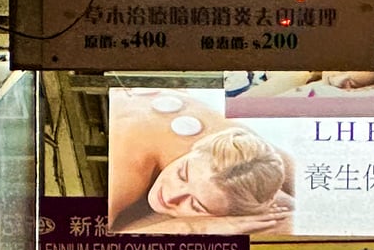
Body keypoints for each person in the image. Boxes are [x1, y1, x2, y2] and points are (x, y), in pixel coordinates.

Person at [106, 90, 294, 235]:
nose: (171, 196)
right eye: (182, 174)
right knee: (284, 221)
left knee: (280, 212)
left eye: (195, 204)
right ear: (195, 148)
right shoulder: (127, 167)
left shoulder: (239, 146)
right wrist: (192, 228)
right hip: (120, 114)